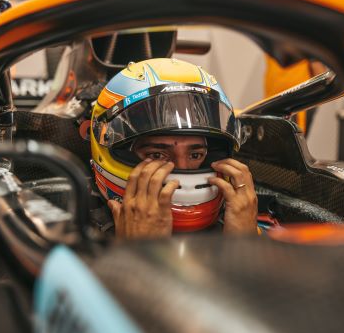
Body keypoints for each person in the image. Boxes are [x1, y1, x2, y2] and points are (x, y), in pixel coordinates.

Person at [90, 58, 258, 239]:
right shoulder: (76, 239)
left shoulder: (246, 226)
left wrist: (244, 243)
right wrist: (136, 249)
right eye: (157, 155)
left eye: (195, 155)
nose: (182, 169)